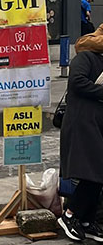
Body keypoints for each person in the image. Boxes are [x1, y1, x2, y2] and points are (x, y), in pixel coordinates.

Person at [58, 46, 103, 242]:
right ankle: (69, 215)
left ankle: (86, 220)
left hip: (96, 125)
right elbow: (76, 82)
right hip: (81, 124)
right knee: (93, 172)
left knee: (97, 173)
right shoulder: (85, 57)